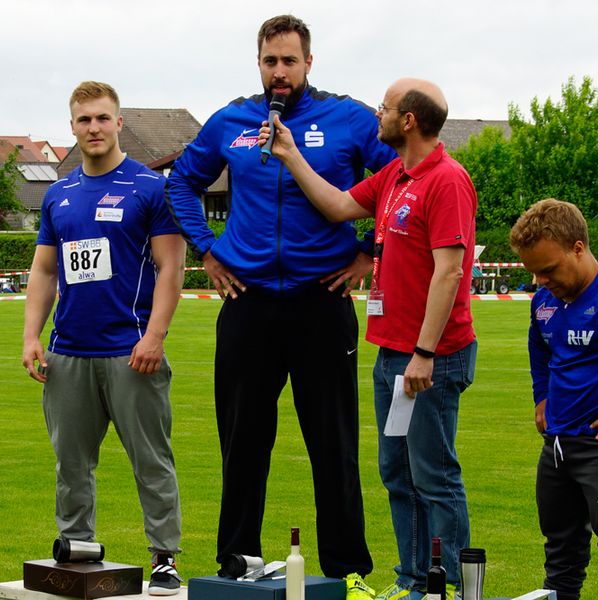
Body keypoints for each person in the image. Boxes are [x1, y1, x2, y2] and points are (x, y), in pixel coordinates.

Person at [165, 14, 395, 597]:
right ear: (259, 63)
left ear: (309, 63)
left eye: (290, 61)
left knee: (334, 443)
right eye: (270, 61)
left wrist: (370, 252)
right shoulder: (232, 120)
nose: (279, 72)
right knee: (241, 440)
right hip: (249, 303)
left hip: (323, 300)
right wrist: (210, 252)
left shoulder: (347, 118)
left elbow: (399, 177)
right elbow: (181, 184)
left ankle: (347, 572)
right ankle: (236, 561)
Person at [259, 77, 478, 600]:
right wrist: (290, 155)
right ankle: (411, 580)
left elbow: (450, 272)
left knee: (435, 476)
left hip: (430, 358)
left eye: (385, 107)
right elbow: (336, 205)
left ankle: (443, 586)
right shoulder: (394, 177)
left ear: (408, 121)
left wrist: (424, 353)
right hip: (391, 354)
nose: (376, 114)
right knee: (398, 473)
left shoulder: (446, 180)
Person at [22, 81, 186, 595]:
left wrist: (155, 336)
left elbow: (171, 265)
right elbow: (44, 271)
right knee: (71, 465)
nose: (93, 128)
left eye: (101, 118)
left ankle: (163, 558)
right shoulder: (58, 193)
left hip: (131, 351)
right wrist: (32, 336)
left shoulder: (151, 188)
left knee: (151, 461)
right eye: (83, 120)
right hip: (68, 353)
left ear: (118, 122)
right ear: (72, 126)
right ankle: (78, 552)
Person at [509, 198, 598, 600]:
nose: (541, 281)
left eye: (548, 270)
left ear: (578, 248)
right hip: (557, 446)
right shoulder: (542, 304)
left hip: (595, 446)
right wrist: (541, 397)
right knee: (560, 555)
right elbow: (540, 353)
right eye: (533, 273)